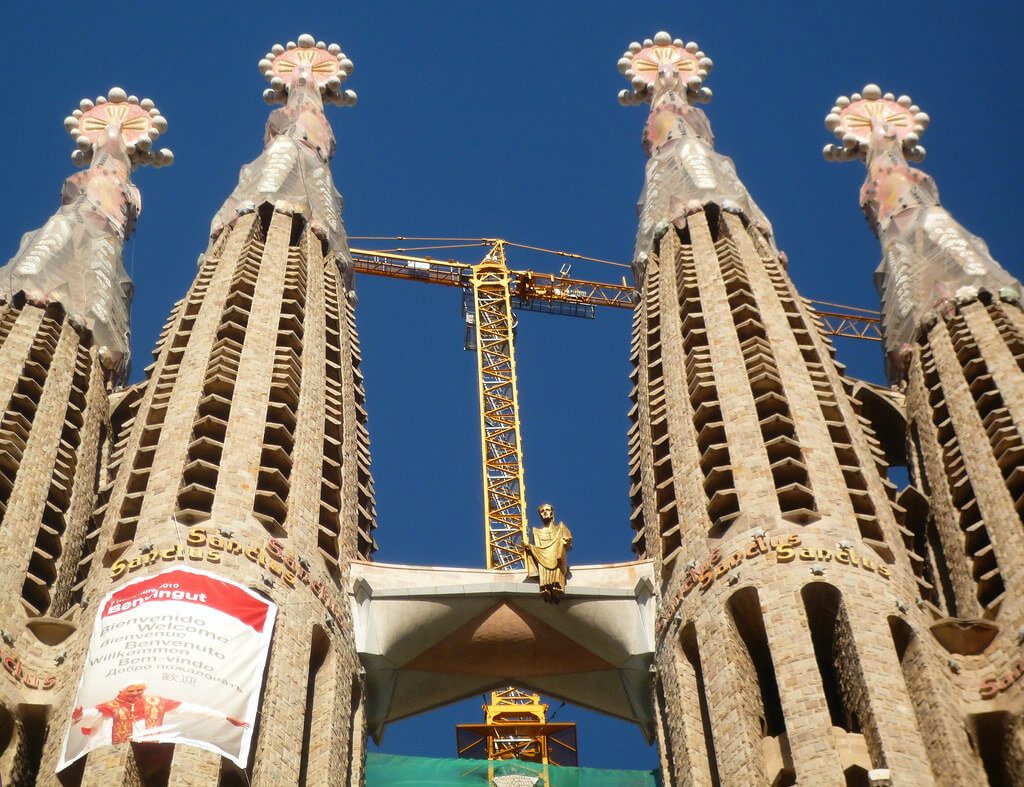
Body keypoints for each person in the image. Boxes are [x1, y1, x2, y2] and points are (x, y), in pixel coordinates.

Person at [72, 682, 249, 747]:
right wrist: (77, 717)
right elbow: (90, 716)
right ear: (121, 691)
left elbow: (188, 709)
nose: (135, 693)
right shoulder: (109, 707)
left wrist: (224, 717)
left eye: (139, 690)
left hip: (145, 748)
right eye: (130, 690)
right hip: (109, 750)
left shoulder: (154, 702)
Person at [524, 503, 572, 603]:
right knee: (542, 566)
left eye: (547, 510)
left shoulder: (560, 527)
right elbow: (536, 548)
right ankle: (545, 588)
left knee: (556, 565)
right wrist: (530, 548)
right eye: (542, 511)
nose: (545, 512)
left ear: (552, 513)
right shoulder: (536, 532)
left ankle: (557, 586)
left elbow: (568, 539)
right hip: (542, 557)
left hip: (555, 557)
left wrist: (563, 541)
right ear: (540, 515)